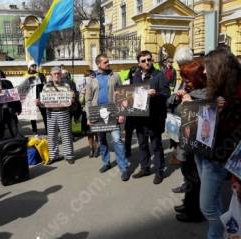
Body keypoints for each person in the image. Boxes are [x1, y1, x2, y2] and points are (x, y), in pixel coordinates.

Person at [190, 48, 241, 239]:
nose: (204, 72)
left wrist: (237, 178)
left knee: (207, 206)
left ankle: (225, 233)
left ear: (221, 69)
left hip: (218, 157)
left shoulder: (237, 94)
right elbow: (204, 120)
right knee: (215, 200)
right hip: (203, 151)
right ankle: (217, 234)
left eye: (208, 68)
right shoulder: (218, 87)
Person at [168, 58, 206, 223]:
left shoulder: (205, 93)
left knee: (194, 178)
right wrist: (177, 97)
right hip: (185, 140)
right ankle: (188, 204)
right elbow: (170, 104)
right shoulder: (191, 90)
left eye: (188, 79)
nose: (185, 82)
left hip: (196, 144)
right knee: (189, 175)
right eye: (184, 79)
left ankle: (194, 212)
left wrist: (190, 103)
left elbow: (205, 118)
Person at [85, 54, 130, 181]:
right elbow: (88, 100)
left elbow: (122, 95)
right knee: (102, 139)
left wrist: (121, 113)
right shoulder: (91, 78)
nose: (108, 64)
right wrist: (89, 116)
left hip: (113, 112)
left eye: (108, 62)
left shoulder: (115, 76)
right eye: (105, 62)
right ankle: (106, 162)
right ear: (98, 64)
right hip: (97, 113)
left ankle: (124, 167)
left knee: (117, 140)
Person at [131, 50, 170, 184]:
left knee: (156, 145)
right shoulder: (135, 75)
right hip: (140, 117)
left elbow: (166, 94)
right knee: (142, 144)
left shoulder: (159, 75)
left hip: (155, 117)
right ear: (139, 63)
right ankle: (145, 168)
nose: (147, 62)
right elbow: (132, 93)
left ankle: (159, 172)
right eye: (143, 61)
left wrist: (156, 94)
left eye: (149, 59)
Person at [42, 66, 74, 164]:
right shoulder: (46, 86)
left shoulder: (66, 85)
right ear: (51, 75)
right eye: (54, 73)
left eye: (58, 73)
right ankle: (53, 156)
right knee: (51, 135)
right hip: (51, 113)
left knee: (66, 135)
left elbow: (70, 100)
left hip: (63, 112)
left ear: (61, 74)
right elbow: (43, 101)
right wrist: (39, 102)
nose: (57, 75)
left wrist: (72, 99)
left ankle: (69, 155)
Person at [23, 60, 47, 134]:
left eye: (35, 66)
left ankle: (48, 129)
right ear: (29, 67)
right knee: (32, 115)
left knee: (44, 114)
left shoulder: (40, 75)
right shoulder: (25, 76)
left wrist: (40, 96)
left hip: (40, 97)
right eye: (32, 66)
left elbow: (45, 85)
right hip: (31, 97)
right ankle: (34, 131)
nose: (34, 67)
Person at [80, 70, 99, 158]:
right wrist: (82, 94)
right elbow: (80, 102)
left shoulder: (97, 86)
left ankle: (97, 148)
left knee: (96, 132)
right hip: (85, 112)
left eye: (91, 76)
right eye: (87, 77)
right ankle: (91, 148)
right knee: (89, 133)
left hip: (95, 110)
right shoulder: (83, 87)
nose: (89, 79)